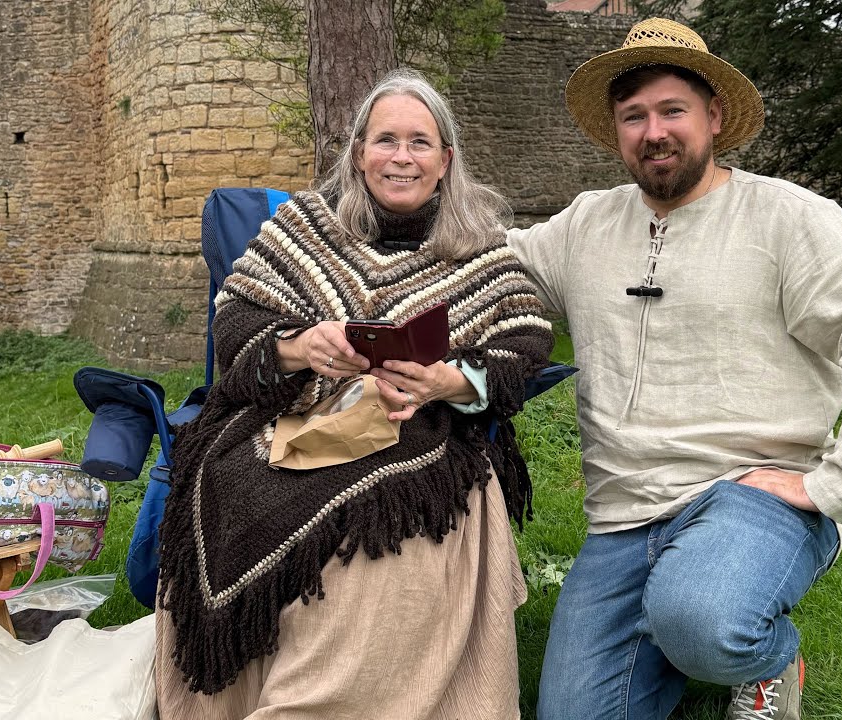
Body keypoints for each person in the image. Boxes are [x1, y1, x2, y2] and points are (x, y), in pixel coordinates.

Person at [506, 17, 842, 720]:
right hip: (622, 516)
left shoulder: (787, 219)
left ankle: (766, 659)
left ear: (712, 117)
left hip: (751, 494)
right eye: (634, 116)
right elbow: (489, 266)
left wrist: (838, 484)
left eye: (672, 110)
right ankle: (686, 616)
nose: (654, 132)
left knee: (705, 622)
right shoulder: (584, 225)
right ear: (617, 131)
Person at [153, 68, 554, 720]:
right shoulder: (304, 228)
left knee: (379, 535)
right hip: (291, 418)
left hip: (417, 435)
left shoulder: (480, 248)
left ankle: (332, 701)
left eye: (420, 143)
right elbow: (235, 323)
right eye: (386, 140)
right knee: (228, 484)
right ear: (359, 151)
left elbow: (524, 346)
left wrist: (452, 381)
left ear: (446, 159)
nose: (402, 157)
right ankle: (230, 688)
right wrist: (299, 345)